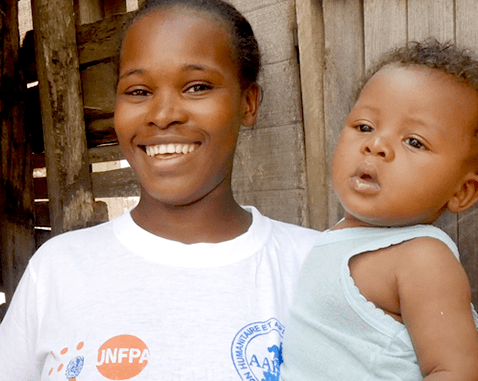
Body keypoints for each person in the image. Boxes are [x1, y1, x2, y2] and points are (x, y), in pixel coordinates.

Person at [0, 0, 321, 379]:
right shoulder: (57, 271)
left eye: (197, 87)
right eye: (138, 91)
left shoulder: (317, 270)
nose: (163, 113)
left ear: (247, 103)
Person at [280, 39, 478, 381]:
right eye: (365, 127)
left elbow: (455, 371)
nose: (376, 145)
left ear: (461, 191)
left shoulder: (422, 258)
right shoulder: (341, 239)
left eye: (414, 141)